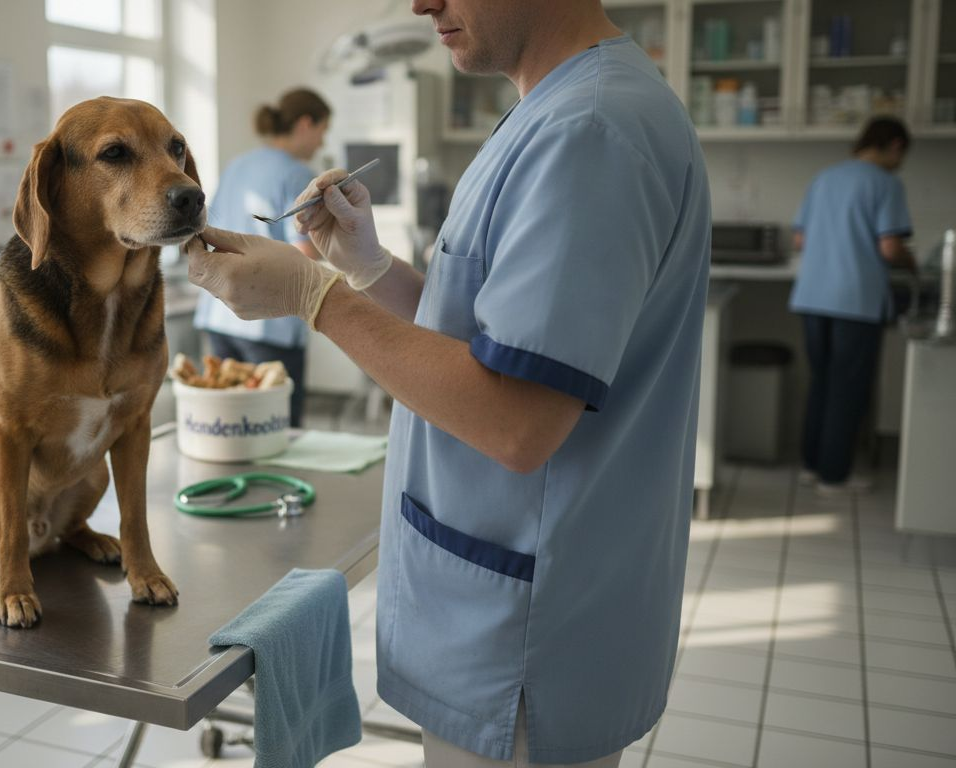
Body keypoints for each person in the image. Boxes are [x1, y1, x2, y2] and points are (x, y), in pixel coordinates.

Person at [188, 0, 711, 764]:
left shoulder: (588, 132)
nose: (420, 2)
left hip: (526, 637)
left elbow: (516, 421)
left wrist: (316, 298)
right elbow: (496, 339)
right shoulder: (559, 108)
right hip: (515, 610)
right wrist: (366, 268)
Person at [790, 116, 915, 497]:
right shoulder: (886, 184)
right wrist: (913, 262)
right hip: (855, 301)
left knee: (822, 382)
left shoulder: (825, 177)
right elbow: (890, 248)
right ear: (894, 145)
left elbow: (799, 241)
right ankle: (834, 476)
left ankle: (812, 467)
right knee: (847, 388)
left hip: (813, 296)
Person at [192, 88, 330, 426]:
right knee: (275, 427)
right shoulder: (296, 174)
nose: (322, 144)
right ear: (305, 124)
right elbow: (303, 251)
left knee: (227, 424)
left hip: (220, 314)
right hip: (269, 323)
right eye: (322, 133)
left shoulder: (239, 165)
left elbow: (214, 229)